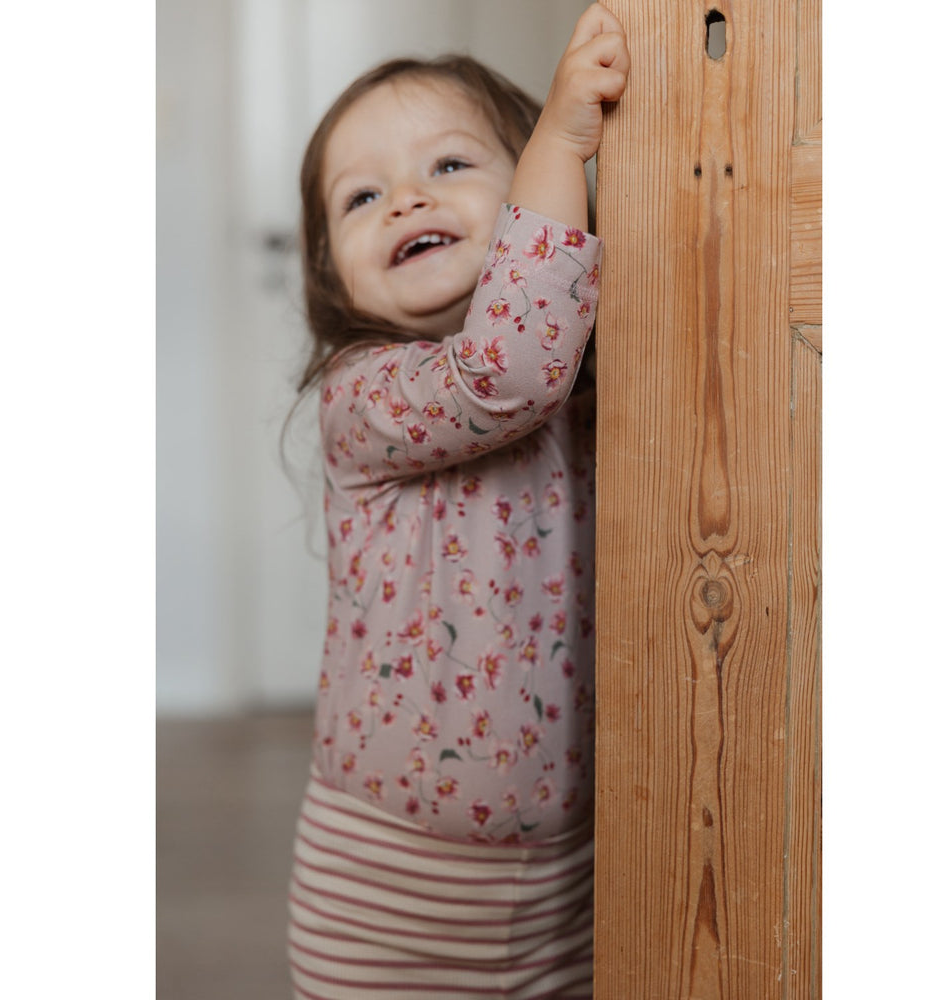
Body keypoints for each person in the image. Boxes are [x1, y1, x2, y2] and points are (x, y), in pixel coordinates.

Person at [286, 5, 629, 997]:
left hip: (569, 878)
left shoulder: (589, 390)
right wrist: (562, 137)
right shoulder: (362, 395)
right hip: (385, 895)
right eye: (361, 196)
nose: (405, 199)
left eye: (447, 164)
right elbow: (506, 369)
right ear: (331, 272)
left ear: (530, 208)